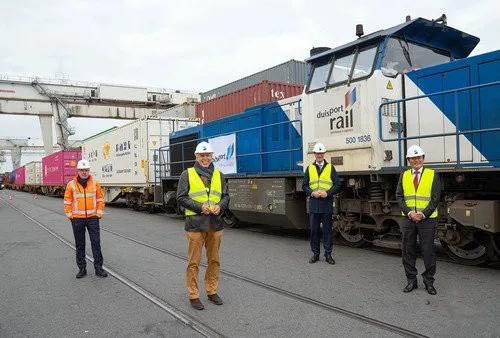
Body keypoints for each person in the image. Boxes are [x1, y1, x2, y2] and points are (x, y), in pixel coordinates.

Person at [176, 142, 230, 310]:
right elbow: (181, 197)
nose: (205, 158)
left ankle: (212, 291)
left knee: (214, 260)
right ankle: (193, 295)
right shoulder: (187, 174)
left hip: (215, 224)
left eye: (208, 155)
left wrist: (220, 206)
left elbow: (226, 196)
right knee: (194, 262)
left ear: (212, 156)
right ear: (196, 156)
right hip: (195, 225)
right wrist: (201, 207)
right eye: (202, 155)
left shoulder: (219, 175)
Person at [396, 145, 441, 295]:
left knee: (428, 251)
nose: (416, 160)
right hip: (409, 219)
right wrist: (409, 213)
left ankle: (429, 281)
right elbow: (399, 196)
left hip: (426, 219)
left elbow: (435, 198)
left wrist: (423, 214)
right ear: (409, 160)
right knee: (407, 250)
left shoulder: (432, 174)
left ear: (423, 159)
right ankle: (411, 281)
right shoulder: (404, 175)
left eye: (419, 157)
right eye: (413, 158)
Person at [64, 159, 107, 279]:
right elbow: (67, 201)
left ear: (89, 171)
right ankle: (82, 269)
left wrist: (98, 213)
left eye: (86, 170)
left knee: (96, 243)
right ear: (78, 171)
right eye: (82, 170)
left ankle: (99, 268)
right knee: (80, 244)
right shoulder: (71, 185)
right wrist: (70, 215)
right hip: (77, 219)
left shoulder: (95, 183)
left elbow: (100, 199)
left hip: (93, 218)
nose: (84, 172)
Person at [302, 142, 342, 265]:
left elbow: (338, 184)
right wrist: (311, 193)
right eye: (317, 153)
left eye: (321, 153)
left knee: (327, 231)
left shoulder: (330, 168)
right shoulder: (310, 168)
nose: (319, 155)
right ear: (314, 154)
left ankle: (328, 255)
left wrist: (328, 193)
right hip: (314, 204)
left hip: (326, 203)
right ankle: (315, 254)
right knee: (314, 231)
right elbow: (304, 185)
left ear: (324, 154)